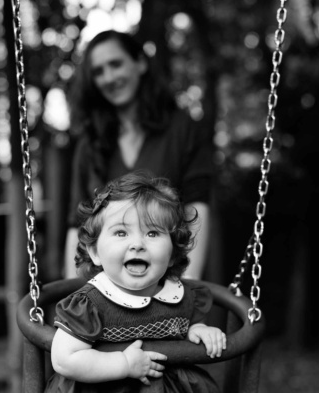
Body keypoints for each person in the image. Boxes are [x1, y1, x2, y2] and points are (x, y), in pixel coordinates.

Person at [46, 172, 224, 392]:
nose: (137, 244)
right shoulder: (89, 304)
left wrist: (198, 329)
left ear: (173, 255)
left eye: (152, 233)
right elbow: (65, 359)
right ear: (94, 252)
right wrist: (124, 364)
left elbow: (190, 322)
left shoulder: (184, 295)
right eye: (121, 233)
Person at [64, 29, 214, 280]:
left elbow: (195, 210)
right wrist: (72, 296)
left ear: (141, 63)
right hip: (103, 296)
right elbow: (76, 227)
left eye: (116, 64)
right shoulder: (90, 145)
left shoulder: (182, 129)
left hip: (167, 283)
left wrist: (185, 291)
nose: (109, 77)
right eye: (98, 72)